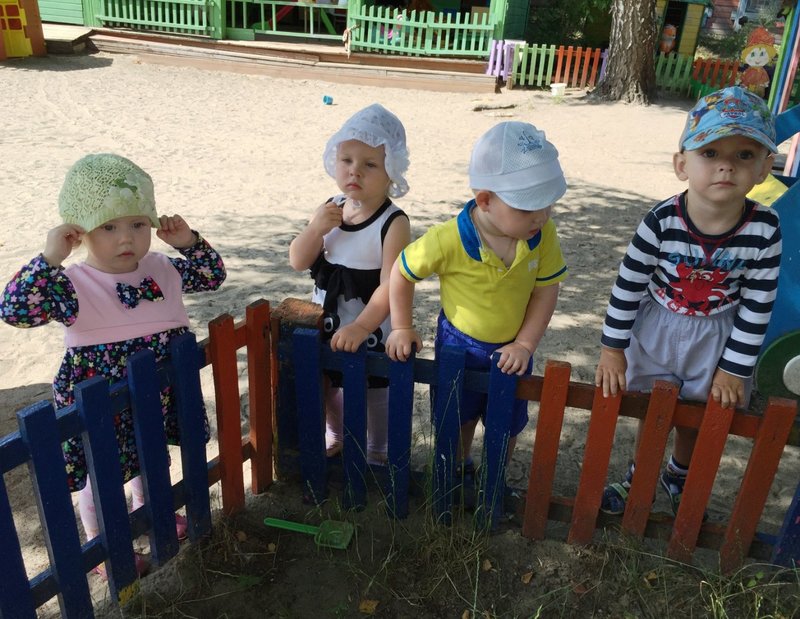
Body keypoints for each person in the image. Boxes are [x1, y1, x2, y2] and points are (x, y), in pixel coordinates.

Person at [0, 153, 226, 576]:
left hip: (157, 391)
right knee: (100, 473)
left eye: (138, 224)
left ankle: (151, 509)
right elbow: (14, 310)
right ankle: (101, 544)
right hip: (100, 401)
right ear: (80, 232)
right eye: (108, 227)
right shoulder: (72, 284)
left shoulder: (163, 269)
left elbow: (212, 276)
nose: (127, 239)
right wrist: (49, 259)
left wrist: (189, 242)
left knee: (153, 453)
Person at [595, 86, 782, 516]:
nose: (726, 166)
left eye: (745, 155)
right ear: (682, 164)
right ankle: (640, 474)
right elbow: (628, 285)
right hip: (658, 326)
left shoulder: (765, 228)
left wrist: (734, 369)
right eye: (710, 152)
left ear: (765, 168)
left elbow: (758, 303)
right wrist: (612, 349)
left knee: (700, 411)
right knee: (655, 408)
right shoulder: (661, 221)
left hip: (718, 334)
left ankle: (678, 473)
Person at [386, 121, 568, 505]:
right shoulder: (449, 238)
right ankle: (458, 467)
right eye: (528, 206)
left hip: (513, 347)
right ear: (485, 200)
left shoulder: (541, 235)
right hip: (460, 346)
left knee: (508, 420)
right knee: (458, 416)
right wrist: (401, 326)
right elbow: (402, 271)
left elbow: (546, 289)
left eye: (547, 203)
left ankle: (494, 473)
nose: (542, 216)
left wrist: (525, 343)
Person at [288, 103, 411, 465]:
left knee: (375, 390)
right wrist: (315, 229)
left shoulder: (393, 222)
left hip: (369, 325)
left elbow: (391, 284)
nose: (354, 170)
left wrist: (362, 326)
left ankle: (378, 450)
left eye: (370, 164)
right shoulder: (332, 207)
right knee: (328, 384)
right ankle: (337, 435)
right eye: (346, 160)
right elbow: (298, 261)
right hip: (326, 321)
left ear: (391, 172)